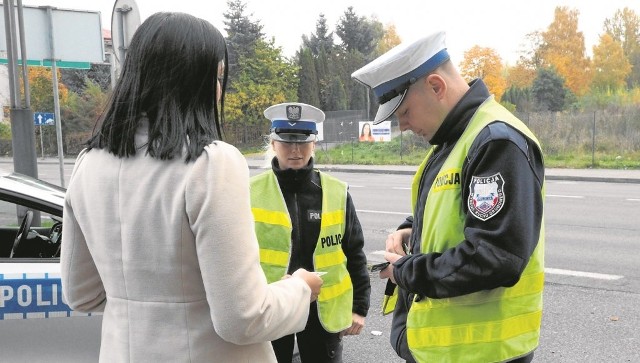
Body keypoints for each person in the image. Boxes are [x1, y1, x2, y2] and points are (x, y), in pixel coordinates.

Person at [60, 12, 323, 363]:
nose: (218, 89)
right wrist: (300, 289)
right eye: (215, 76)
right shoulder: (211, 163)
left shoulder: (88, 163)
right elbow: (242, 318)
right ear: (192, 80)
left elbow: (80, 294)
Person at [351, 31, 545, 363]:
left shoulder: (495, 141)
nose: (405, 125)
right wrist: (410, 230)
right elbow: (453, 211)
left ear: (437, 87)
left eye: (405, 111)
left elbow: (495, 255)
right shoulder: (456, 138)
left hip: (482, 352)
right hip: (450, 351)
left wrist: (405, 271)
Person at [250, 102, 371, 363]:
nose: (295, 150)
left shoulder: (336, 192)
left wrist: (359, 308)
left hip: (322, 314)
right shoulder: (249, 191)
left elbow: (354, 252)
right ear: (273, 143)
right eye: (286, 142)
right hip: (271, 309)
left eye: (303, 142)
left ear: (314, 144)